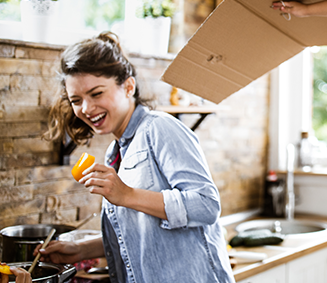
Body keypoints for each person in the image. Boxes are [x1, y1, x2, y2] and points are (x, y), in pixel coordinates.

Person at [40, 32, 234, 283]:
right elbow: (140, 233)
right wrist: (81, 250)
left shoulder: (160, 128)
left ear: (128, 87)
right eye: (76, 100)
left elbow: (206, 206)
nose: (86, 108)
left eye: (96, 93)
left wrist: (127, 194)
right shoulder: (117, 152)